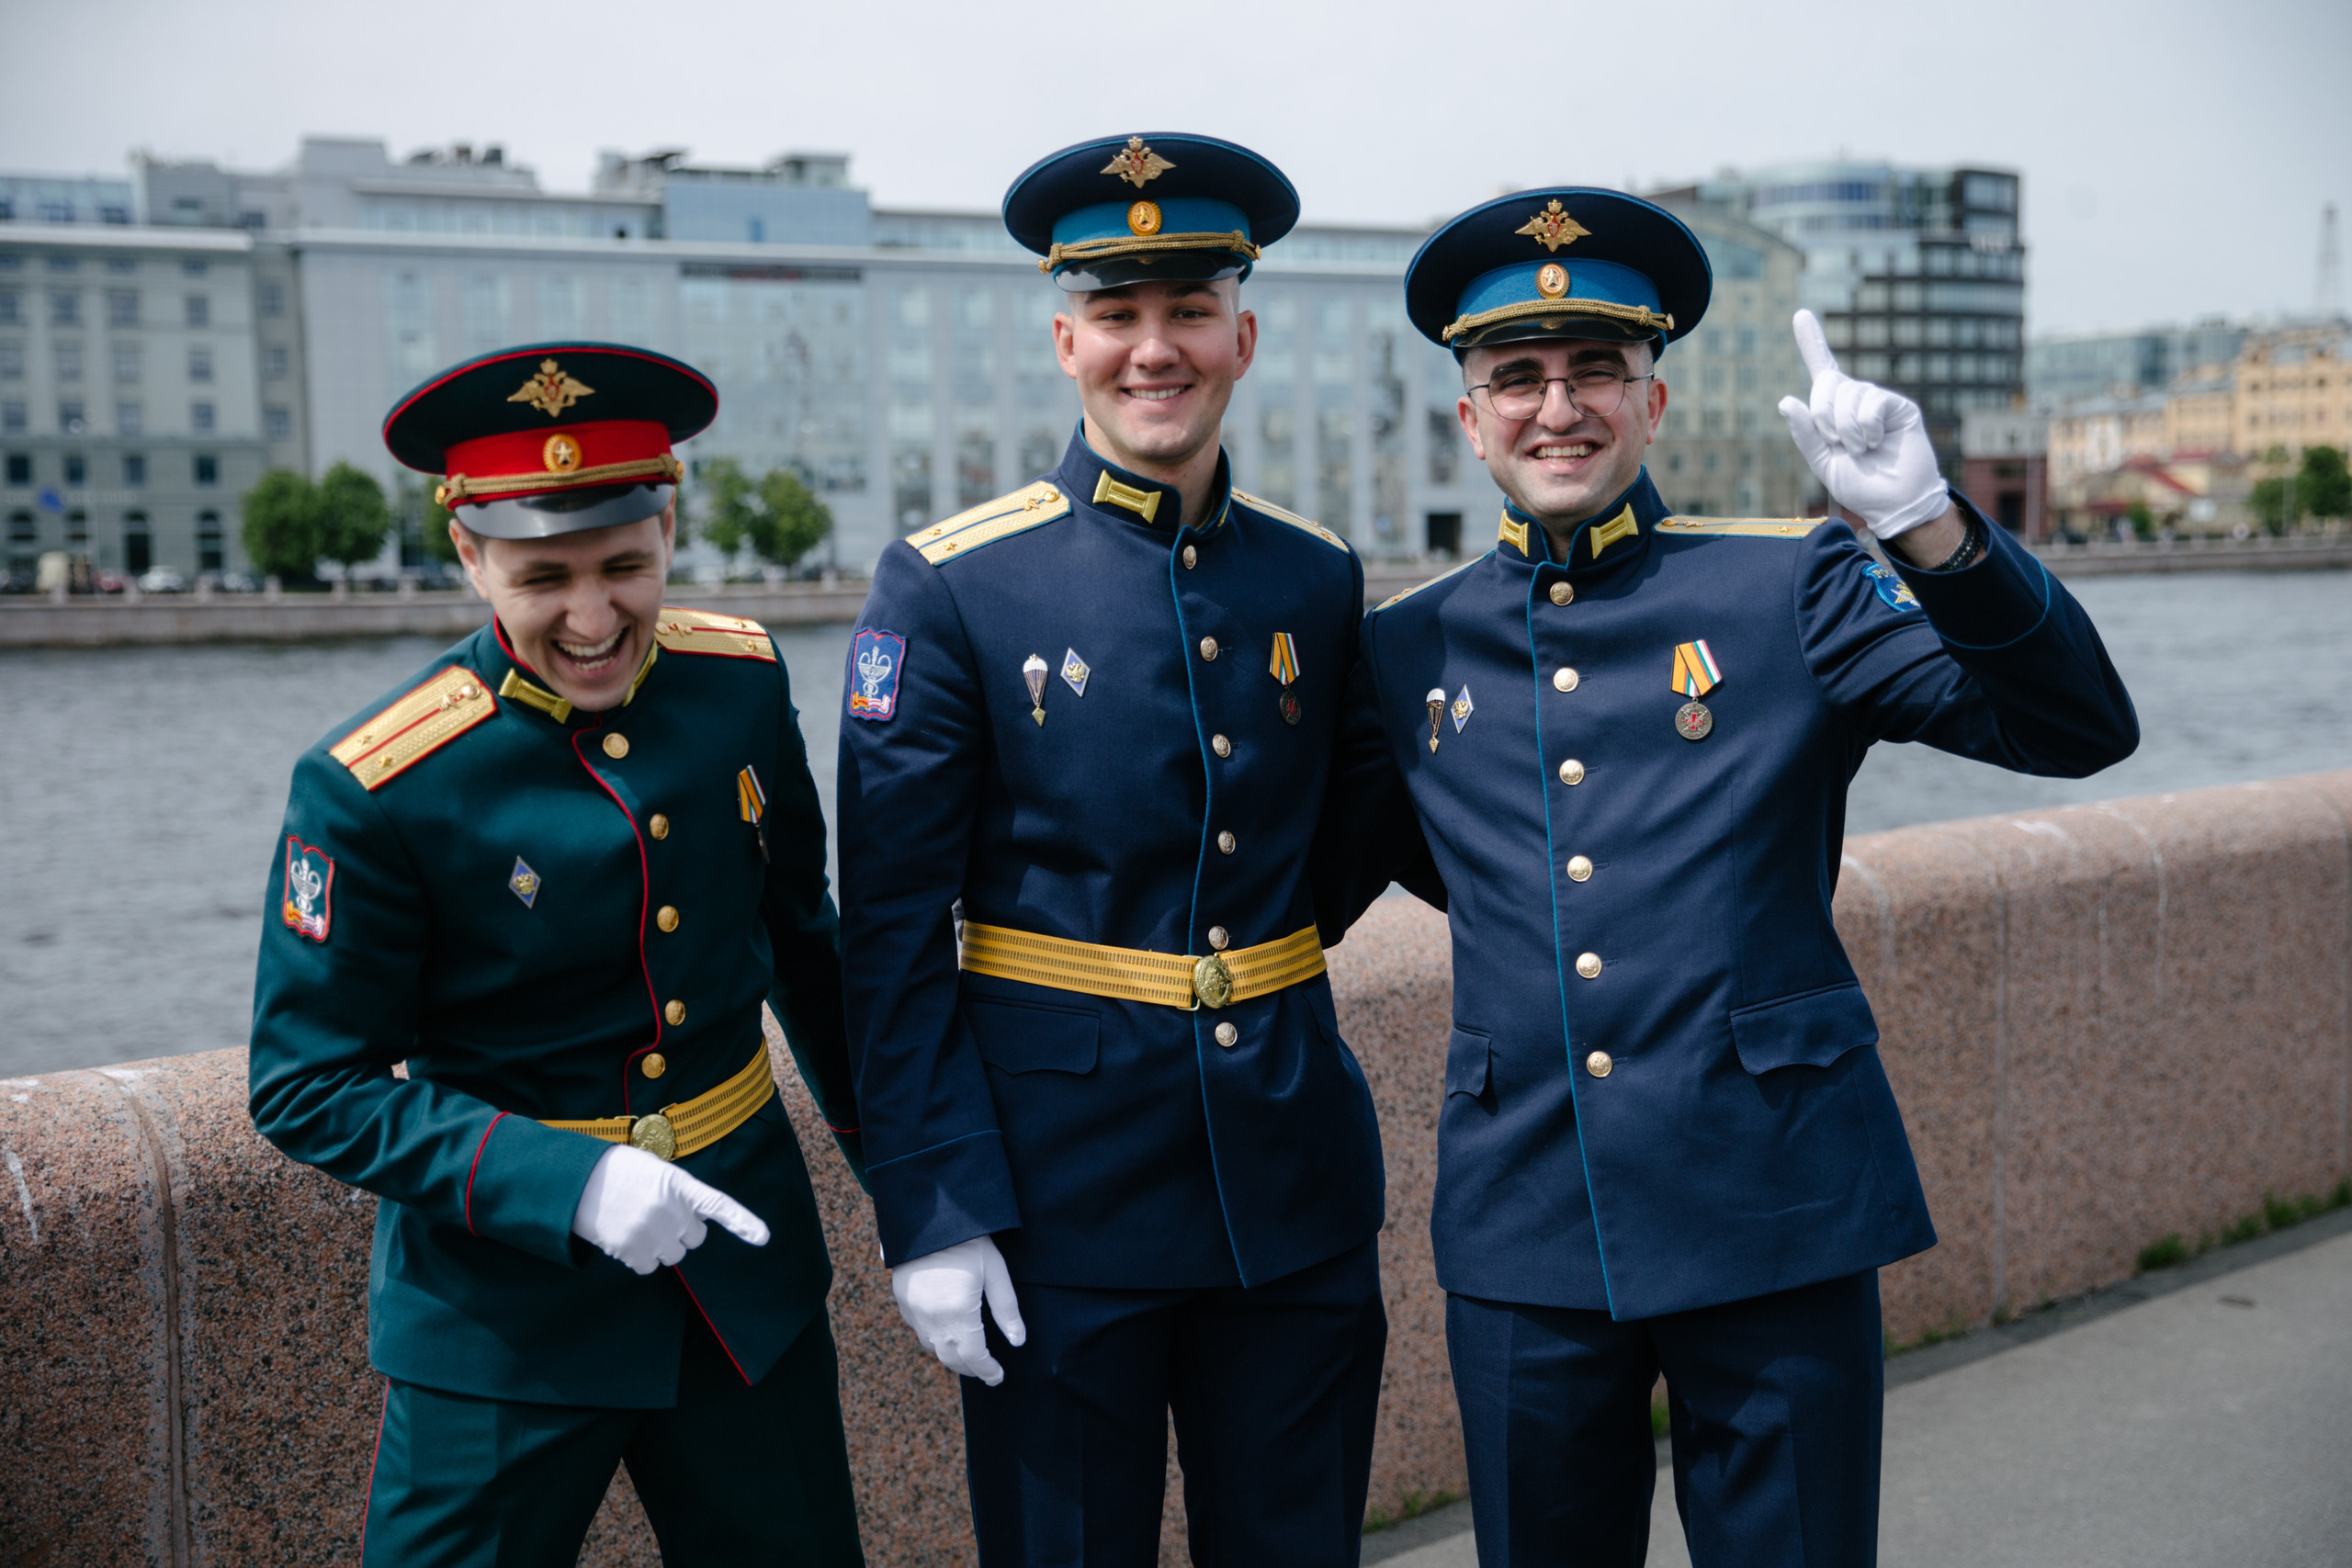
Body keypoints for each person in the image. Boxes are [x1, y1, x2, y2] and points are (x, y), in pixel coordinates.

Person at [1312, 190, 2139, 1566]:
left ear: (1655, 401)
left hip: (1775, 1209)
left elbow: (2073, 731)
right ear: (1470, 417)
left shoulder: (1790, 588)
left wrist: (1928, 529)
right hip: (1529, 1233)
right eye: (1516, 378)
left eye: (1596, 373)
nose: (1556, 408)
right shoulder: (1408, 650)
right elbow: (1378, 875)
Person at [836, 134, 1388, 1564]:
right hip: (1054, 1208)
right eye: (1122, 315)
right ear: (1067, 338)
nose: (1160, 349)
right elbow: (889, 933)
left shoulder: (1313, 574)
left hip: (1288, 1187)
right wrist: (934, 1205)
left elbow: (1331, 861)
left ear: (1244, 336)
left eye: (1191, 310)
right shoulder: (952, 584)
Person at [248, 342, 867, 1566]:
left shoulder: (736, 683)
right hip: (502, 1317)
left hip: (740, 1276)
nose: (595, 619)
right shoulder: (378, 783)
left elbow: (807, 945)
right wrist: (566, 1184)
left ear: (670, 528)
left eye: (626, 567)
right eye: (545, 578)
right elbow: (304, 1086)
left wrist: (927, 1194)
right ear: (470, 555)